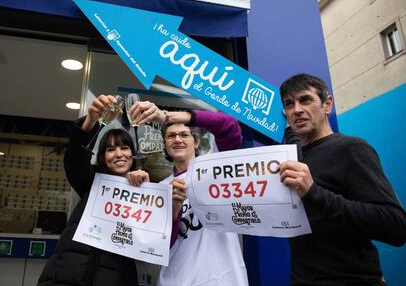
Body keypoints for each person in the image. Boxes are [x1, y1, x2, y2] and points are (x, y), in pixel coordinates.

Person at [278, 74, 406, 285]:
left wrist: (314, 192)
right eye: (289, 104)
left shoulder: (351, 149)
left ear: (327, 104)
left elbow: (396, 227)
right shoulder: (292, 157)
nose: (297, 109)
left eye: (305, 100)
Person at [129, 102, 249, 286]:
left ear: (197, 141)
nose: (177, 139)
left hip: (223, 277)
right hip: (176, 279)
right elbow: (156, 247)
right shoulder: (160, 188)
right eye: (171, 136)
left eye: (184, 134)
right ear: (165, 144)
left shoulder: (214, 167)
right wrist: (174, 212)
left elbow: (229, 126)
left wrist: (168, 117)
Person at [38, 95, 149, 286]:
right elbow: (74, 158)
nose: (119, 154)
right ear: (102, 157)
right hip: (65, 275)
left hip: (116, 277)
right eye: (110, 149)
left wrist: (145, 191)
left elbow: (149, 239)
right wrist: (91, 120)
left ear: (133, 154)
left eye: (124, 148)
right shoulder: (91, 181)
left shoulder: (145, 188)